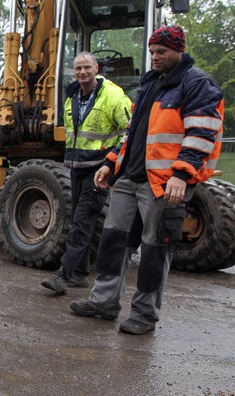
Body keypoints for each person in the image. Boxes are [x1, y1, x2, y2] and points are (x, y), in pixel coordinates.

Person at [69, 26, 224, 335]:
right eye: (152, 51)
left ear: (179, 51)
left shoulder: (197, 84)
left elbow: (202, 134)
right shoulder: (151, 83)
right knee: (114, 241)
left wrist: (181, 175)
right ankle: (104, 302)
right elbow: (132, 133)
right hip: (129, 177)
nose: (154, 57)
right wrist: (112, 163)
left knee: (155, 249)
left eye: (161, 52)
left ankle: (144, 313)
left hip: (164, 184)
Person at [41, 52, 132, 295]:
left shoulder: (113, 96)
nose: (82, 72)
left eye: (86, 68)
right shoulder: (72, 97)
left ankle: (64, 275)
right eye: (78, 68)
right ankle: (79, 273)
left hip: (98, 169)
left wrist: (111, 165)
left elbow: (129, 133)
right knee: (78, 222)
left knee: (81, 223)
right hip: (76, 169)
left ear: (96, 68)